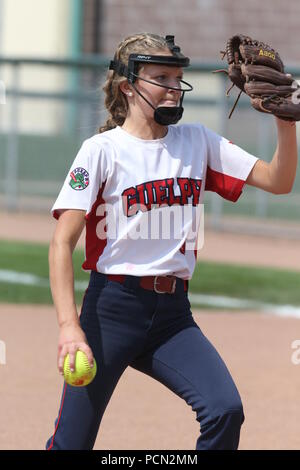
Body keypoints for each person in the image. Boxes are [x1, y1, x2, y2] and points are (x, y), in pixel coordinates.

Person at [46, 33, 298, 450]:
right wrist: (70, 328)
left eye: (178, 77)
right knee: (72, 443)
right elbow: (61, 242)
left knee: (224, 409)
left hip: (172, 317)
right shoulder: (101, 151)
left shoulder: (197, 141)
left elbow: (279, 180)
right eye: (160, 76)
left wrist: (284, 125)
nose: (173, 87)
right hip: (111, 311)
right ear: (128, 85)